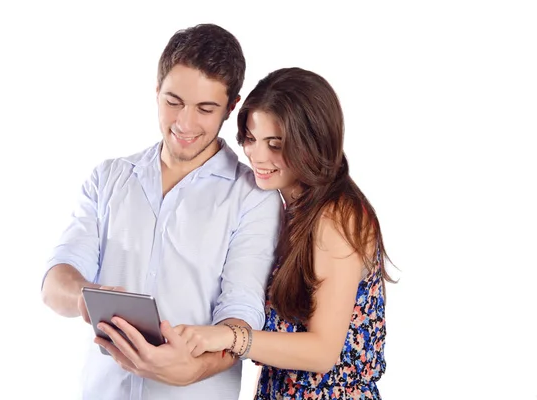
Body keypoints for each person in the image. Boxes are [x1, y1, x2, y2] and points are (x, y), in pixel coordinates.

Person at [40, 23, 283, 400]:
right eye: (173, 102)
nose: (185, 123)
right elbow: (56, 279)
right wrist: (87, 298)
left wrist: (193, 368)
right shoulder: (109, 178)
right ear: (156, 91)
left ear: (231, 107)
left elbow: (242, 311)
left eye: (205, 108)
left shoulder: (253, 196)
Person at [173, 67, 397, 399]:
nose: (257, 156)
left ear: (313, 143)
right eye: (251, 139)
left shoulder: (337, 216)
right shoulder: (288, 210)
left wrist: (228, 337)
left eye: (275, 144)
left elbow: (323, 352)